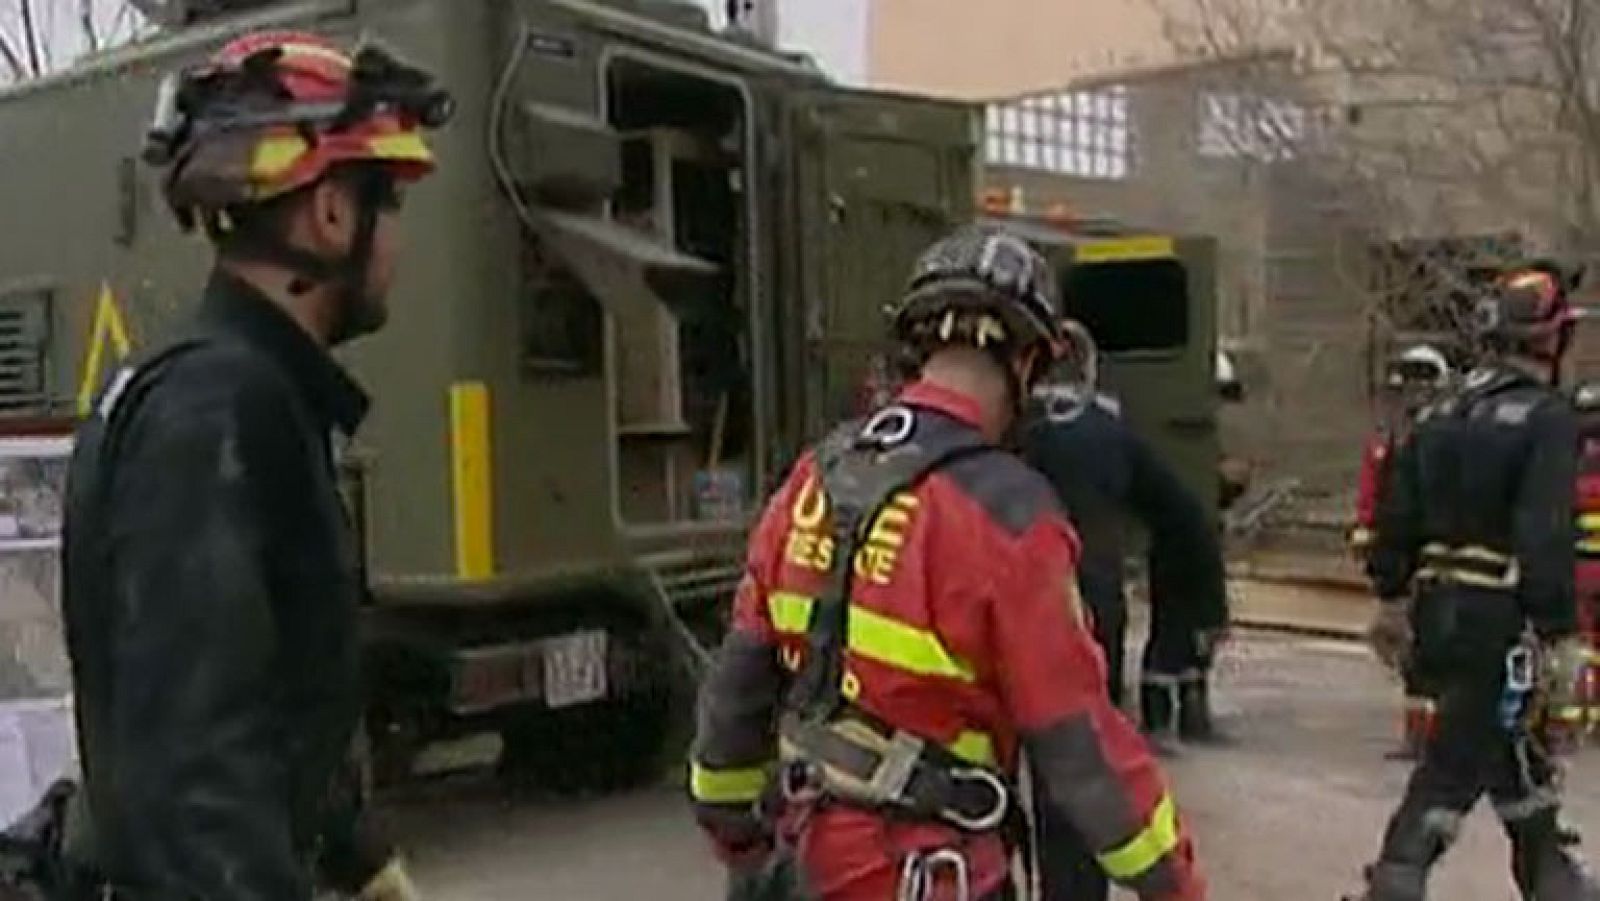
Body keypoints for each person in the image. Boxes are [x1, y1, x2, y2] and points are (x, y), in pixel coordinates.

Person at [689, 224, 1204, 901]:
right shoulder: (1013, 514)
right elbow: (1081, 748)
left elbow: (737, 690)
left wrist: (739, 835)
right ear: (1027, 365)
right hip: (925, 876)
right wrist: (1177, 882)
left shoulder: (812, 478)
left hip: (800, 861)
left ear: (916, 347)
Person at [58, 31, 451, 900]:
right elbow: (202, 786)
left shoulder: (233, 393)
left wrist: (359, 853)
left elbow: (266, 699)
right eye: (390, 203)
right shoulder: (221, 414)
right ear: (332, 214)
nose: (399, 244)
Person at [1351, 261, 1600, 901]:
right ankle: (1399, 878)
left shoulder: (1440, 411)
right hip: (1500, 614)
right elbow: (1542, 530)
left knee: (1504, 746)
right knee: (1457, 762)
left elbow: (1394, 517)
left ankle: (1549, 873)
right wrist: (1562, 633)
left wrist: (1390, 597)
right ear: (1553, 339)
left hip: (1436, 611)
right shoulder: (1546, 418)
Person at [1020, 319, 1229, 901]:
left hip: (1000, 610)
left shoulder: (1002, 429)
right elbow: (1184, 521)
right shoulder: (1110, 434)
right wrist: (1197, 610)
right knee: (1078, 772)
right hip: (1088, 611)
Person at [1351, 344, 1454, 760]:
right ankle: (1424, 734)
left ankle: (1437, 736)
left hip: (1438, 563)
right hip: (1412, 561)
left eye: (1420, 386)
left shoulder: (1442, 440)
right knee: (1408, 649)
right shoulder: (1394, 445)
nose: (1412, 396)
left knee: (1430, 650)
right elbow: (1383, 502)